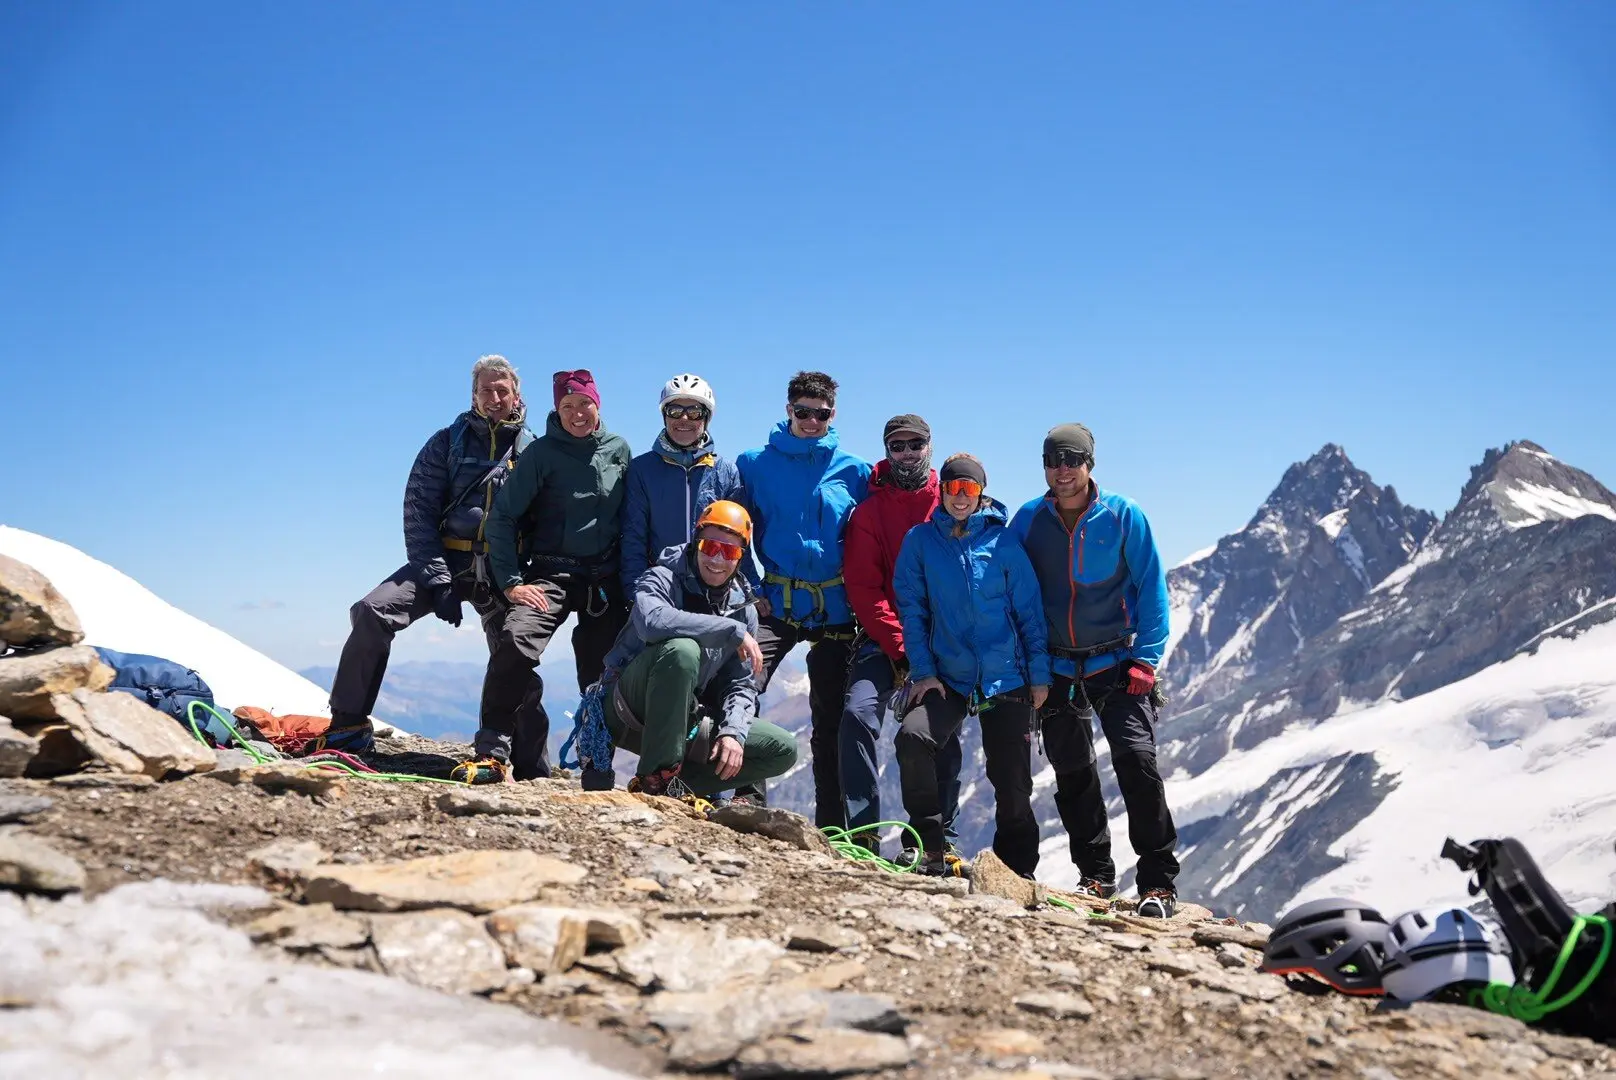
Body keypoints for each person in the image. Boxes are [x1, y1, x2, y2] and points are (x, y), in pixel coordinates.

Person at [1008, 423, 1180, 917]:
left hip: (1119, 659)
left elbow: (1152, 589)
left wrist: (1147, 659)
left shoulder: (1123, 516)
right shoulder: (1028, 520)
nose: (1062, 470)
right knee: (1073, 771)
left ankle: (1158, 884)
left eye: (1072, 459)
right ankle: (1097, 877)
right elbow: (1011, 583)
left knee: (1137, 761)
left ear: (1089, 464)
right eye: (1052, 459)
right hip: (1056, 665)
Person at [321, 355, 532, 753]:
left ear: (516, 396)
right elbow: (418, 516)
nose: (494, 397)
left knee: (519, 651)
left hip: (504, 569)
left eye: (502, 390)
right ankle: (347, 725)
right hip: (446, 560)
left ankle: (528, 764)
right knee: (372, 611)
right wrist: (439, 581)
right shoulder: (445, 443)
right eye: (485, 389)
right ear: (473, 396)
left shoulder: (533, 451)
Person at [462, 369, 632, 785]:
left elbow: (631, 520)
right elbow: (502, 517)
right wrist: (512, 583)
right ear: (556, 408)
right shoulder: (540, 454)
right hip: (550, 575)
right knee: (516, 642)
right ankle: (491, 750)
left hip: (602, 582)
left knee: (602, 672)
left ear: (598, 405)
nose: (577, 413)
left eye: (584, 404)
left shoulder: (618, 450)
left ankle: (596, 762)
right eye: (567, 405)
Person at [892, 454, 1049, 877]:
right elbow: (913, 610)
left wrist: (1039, 674)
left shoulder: (1004, 543)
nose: (960, 497)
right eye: (953, 488)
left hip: (1007, 676)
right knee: (914, 738)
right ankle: (929, 845)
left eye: (970, 489)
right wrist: (923, 671)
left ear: (982, 493)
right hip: (949, 675)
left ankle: (1016, 869)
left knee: (1011, 776)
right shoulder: (920, 541)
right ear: (941, 490)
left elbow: (1029, 614)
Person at [736, 371, 871, 826]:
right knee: (742, 683)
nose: (812, 421)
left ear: (834, 414)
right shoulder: (754, 464)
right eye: (803, 412)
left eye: (822, 413)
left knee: (831, 719)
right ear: (788, 410)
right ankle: (746, 799)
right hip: (777, 600)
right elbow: (735, 528)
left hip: (836, 608)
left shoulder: (855, 469)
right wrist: (752, 589)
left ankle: (831, 827)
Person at [600, 501, 798, 798]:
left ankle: (679, 788)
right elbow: (652, 622)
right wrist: (730, 631)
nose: (717, 559)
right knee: (683, 650)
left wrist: (732, 732)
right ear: (696, 543)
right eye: (710, 546)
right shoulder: (661, 577)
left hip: (687, 720)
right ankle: (657, 777)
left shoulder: (743, 610)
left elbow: (741, 684)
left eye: (729, 551)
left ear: (741, 557)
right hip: (627, 710)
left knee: (782, 749)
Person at [839, 414, 964, 861]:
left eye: (916, 444)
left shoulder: (950, 502)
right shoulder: (870, 513)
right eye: (898, 445)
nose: (907, 453)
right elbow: (864, 589)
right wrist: (903, 648)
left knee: (936, 733)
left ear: (930, 446)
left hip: (942, 644)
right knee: (857, 714)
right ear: (887, 451)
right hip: (886, 641)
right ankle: (864, 833)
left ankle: (931, 839)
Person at [620, 374, 750, 597]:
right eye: (675, 411)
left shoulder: (727, 472)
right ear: (664, 415)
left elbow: (739, 540)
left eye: (695, 412)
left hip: (714, 586)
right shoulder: (641, 469)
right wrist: (635, 591)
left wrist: (750, 589)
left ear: (706, 418)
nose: (685, 419)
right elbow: (634, 536)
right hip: (661, 585)